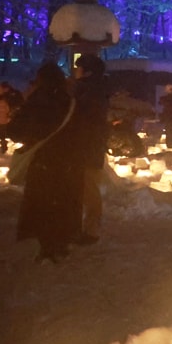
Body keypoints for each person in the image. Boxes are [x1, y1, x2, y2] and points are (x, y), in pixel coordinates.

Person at [7, 63, 83, 262]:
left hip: (42, 159)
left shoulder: (37, 99)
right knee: (62, 201)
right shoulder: (69, 101)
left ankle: (47, 245)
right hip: (66, 160)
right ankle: (61, 242)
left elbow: (16, 129)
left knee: (42, 203)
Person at [71, 54, 110, 244]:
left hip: (85, 146)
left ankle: (90, 231)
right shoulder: (98, 90)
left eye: (79, 69)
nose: (75, 72)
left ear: (87, 72)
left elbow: (81, 119)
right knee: (87, 188)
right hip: (91, 146)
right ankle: (87, 229)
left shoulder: (87, 92)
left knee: (87, 189)